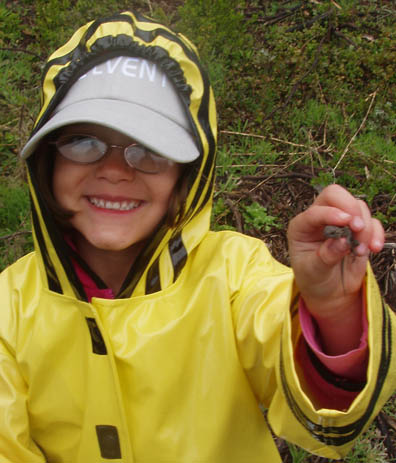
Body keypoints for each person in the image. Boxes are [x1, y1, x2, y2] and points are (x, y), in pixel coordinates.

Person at [0, 10, 395, 463]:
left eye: (148, 149)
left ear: (188, 175)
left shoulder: (232, 275)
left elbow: (326, 407)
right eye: (82, 142)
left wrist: (331, 308)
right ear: (47, 162)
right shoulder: (9, 309)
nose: (112, 171)